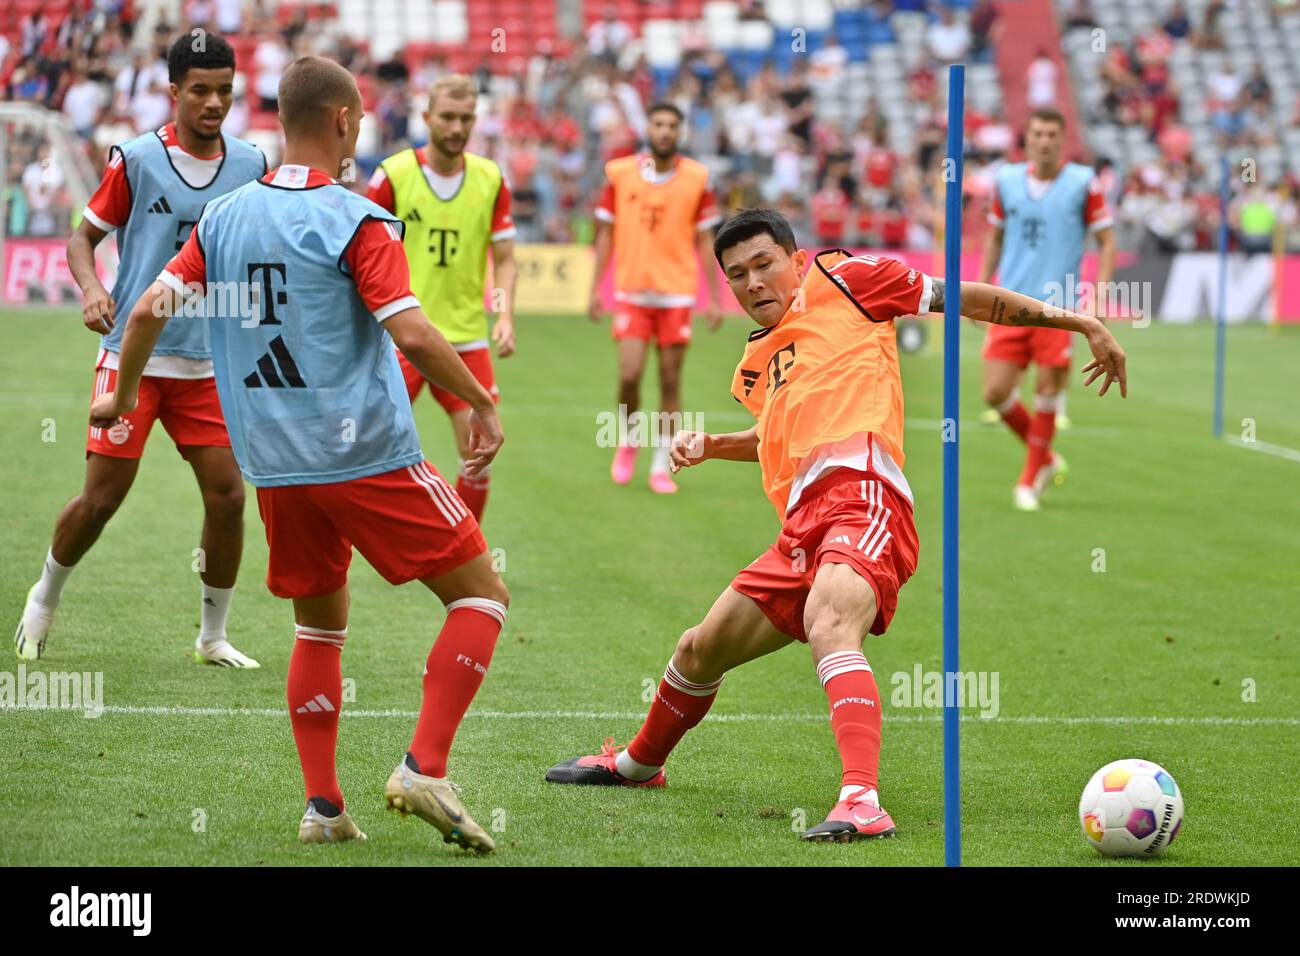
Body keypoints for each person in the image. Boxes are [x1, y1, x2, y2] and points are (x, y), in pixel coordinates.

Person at [546, 208, 1126, 841]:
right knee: (698, 648)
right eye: (736, 275)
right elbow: (778, 435)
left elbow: (966, 298)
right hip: (802, 524)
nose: (753, 283)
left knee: (830, 624)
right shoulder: (755, 360)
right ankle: (638, 765)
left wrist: (1078, 321)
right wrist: (713, 444)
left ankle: (862, 801)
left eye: (764, 264)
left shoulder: (850, 278)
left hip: (866, 495)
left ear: (796, 260)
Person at [89, 56, 510, 852]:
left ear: (280, 120)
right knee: (482, 596)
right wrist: (483, 402)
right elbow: (413, 331)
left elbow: (145, 307)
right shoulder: (356, 219)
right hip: (366, 452)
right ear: (347, 121)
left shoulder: (223, 218)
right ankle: (425, 764)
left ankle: (323, 809)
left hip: (275, 463)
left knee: (319, 629)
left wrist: (120, 391)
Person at [15, 34, 265, 667]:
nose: (214, 103)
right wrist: (94, 287)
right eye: (201, 90)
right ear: (174, 91)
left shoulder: (251, 164)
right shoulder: (136, 160)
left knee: (229, 498)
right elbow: (82, 240)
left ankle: (213, 636)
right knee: (101, 500)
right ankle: (44, 596)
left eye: (225, 91)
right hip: (134, 356)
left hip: (207, 363)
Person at [367, 73, 517, 522]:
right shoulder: (392, 176)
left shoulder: (491, 179)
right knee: (367, 446)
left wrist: (504, 313)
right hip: (402, 335)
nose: (456, 128)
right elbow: (364, 254)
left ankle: (467, 552)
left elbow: (505, 257)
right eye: (447, 117)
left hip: (467, 337)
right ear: (427, 116)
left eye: (466, 119)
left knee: (479, 451)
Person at [979, 107, 1116, 510]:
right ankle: (1045, 455)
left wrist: (1100, 295)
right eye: (1037, 133)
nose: (1044, 141)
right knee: (995, 392)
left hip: (1060, 307)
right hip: (1010, 303)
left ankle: (1029, 477)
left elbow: (1107, 240)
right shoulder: (1006, 181)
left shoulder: (1082, 183)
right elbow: (995, 237)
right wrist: (982, 290)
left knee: (1047, 393)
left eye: (1052, 134)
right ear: (1027, 139)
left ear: (1063, 138)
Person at [589, 102, 722, 494]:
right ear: (648, 128)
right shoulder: (619, 174)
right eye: (658, 124)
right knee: (629, 375)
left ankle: (661, 463)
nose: (664, 131)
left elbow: (705, 240)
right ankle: (628, 439)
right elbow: (605, 234)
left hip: (676, 293)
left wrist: (714, 298)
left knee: (669, 380)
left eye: (671, 126)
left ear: (680, 133)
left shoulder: (698, 178)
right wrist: (595, 289)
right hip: (631, 291)